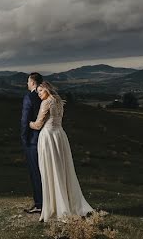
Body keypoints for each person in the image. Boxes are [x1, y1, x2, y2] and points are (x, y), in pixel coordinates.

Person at [29, 80, 94, 222]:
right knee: (63, 169)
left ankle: (56, 206)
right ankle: (67, 202)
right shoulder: (58, 101)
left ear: (46, 89)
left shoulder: (46, 103)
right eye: (38, 91)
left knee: (50, 170)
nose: (39, 94)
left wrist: (29, 124)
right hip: (60, 136)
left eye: (40, 91)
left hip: (48, 137)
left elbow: (39, 124)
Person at [19, 72, 44, 214]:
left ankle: (39, 204)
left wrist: (24, 139)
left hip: (33, 140)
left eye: (28, 81)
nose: (27, 84)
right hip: (46, 139)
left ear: (33, 83)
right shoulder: (46, 96)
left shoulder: (29, 96)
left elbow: (25, 120)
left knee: (35, 172)